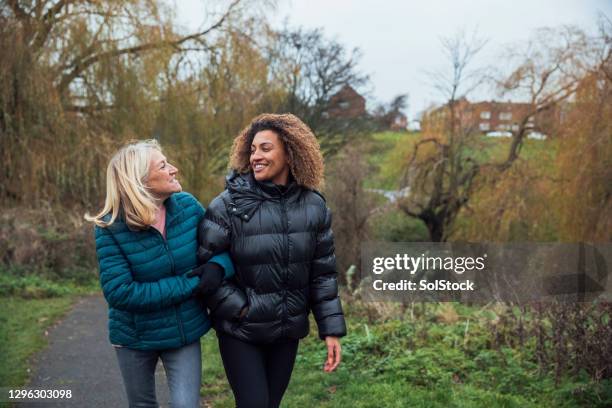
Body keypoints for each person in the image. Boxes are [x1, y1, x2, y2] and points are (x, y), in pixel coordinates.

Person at [197, 113, 347, 408]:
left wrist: (330, 330)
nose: (256, 156)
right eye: (252, 149)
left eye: (266, 148)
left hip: (286, 331)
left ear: (290, 153)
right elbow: (207, 266)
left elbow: (323, 274)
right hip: (242, 331)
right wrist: (241, 309)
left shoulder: (314, 206)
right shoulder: (228, 205)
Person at [86, 139, 234, 408]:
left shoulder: (188, 207)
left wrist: (219, 266)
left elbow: (222, 249)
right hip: (135, 337)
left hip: (184, 333)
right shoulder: (110, 227)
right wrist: (192, 284)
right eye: (164, 165)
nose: (174, 169)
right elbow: (121, 292)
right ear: (139, 179)